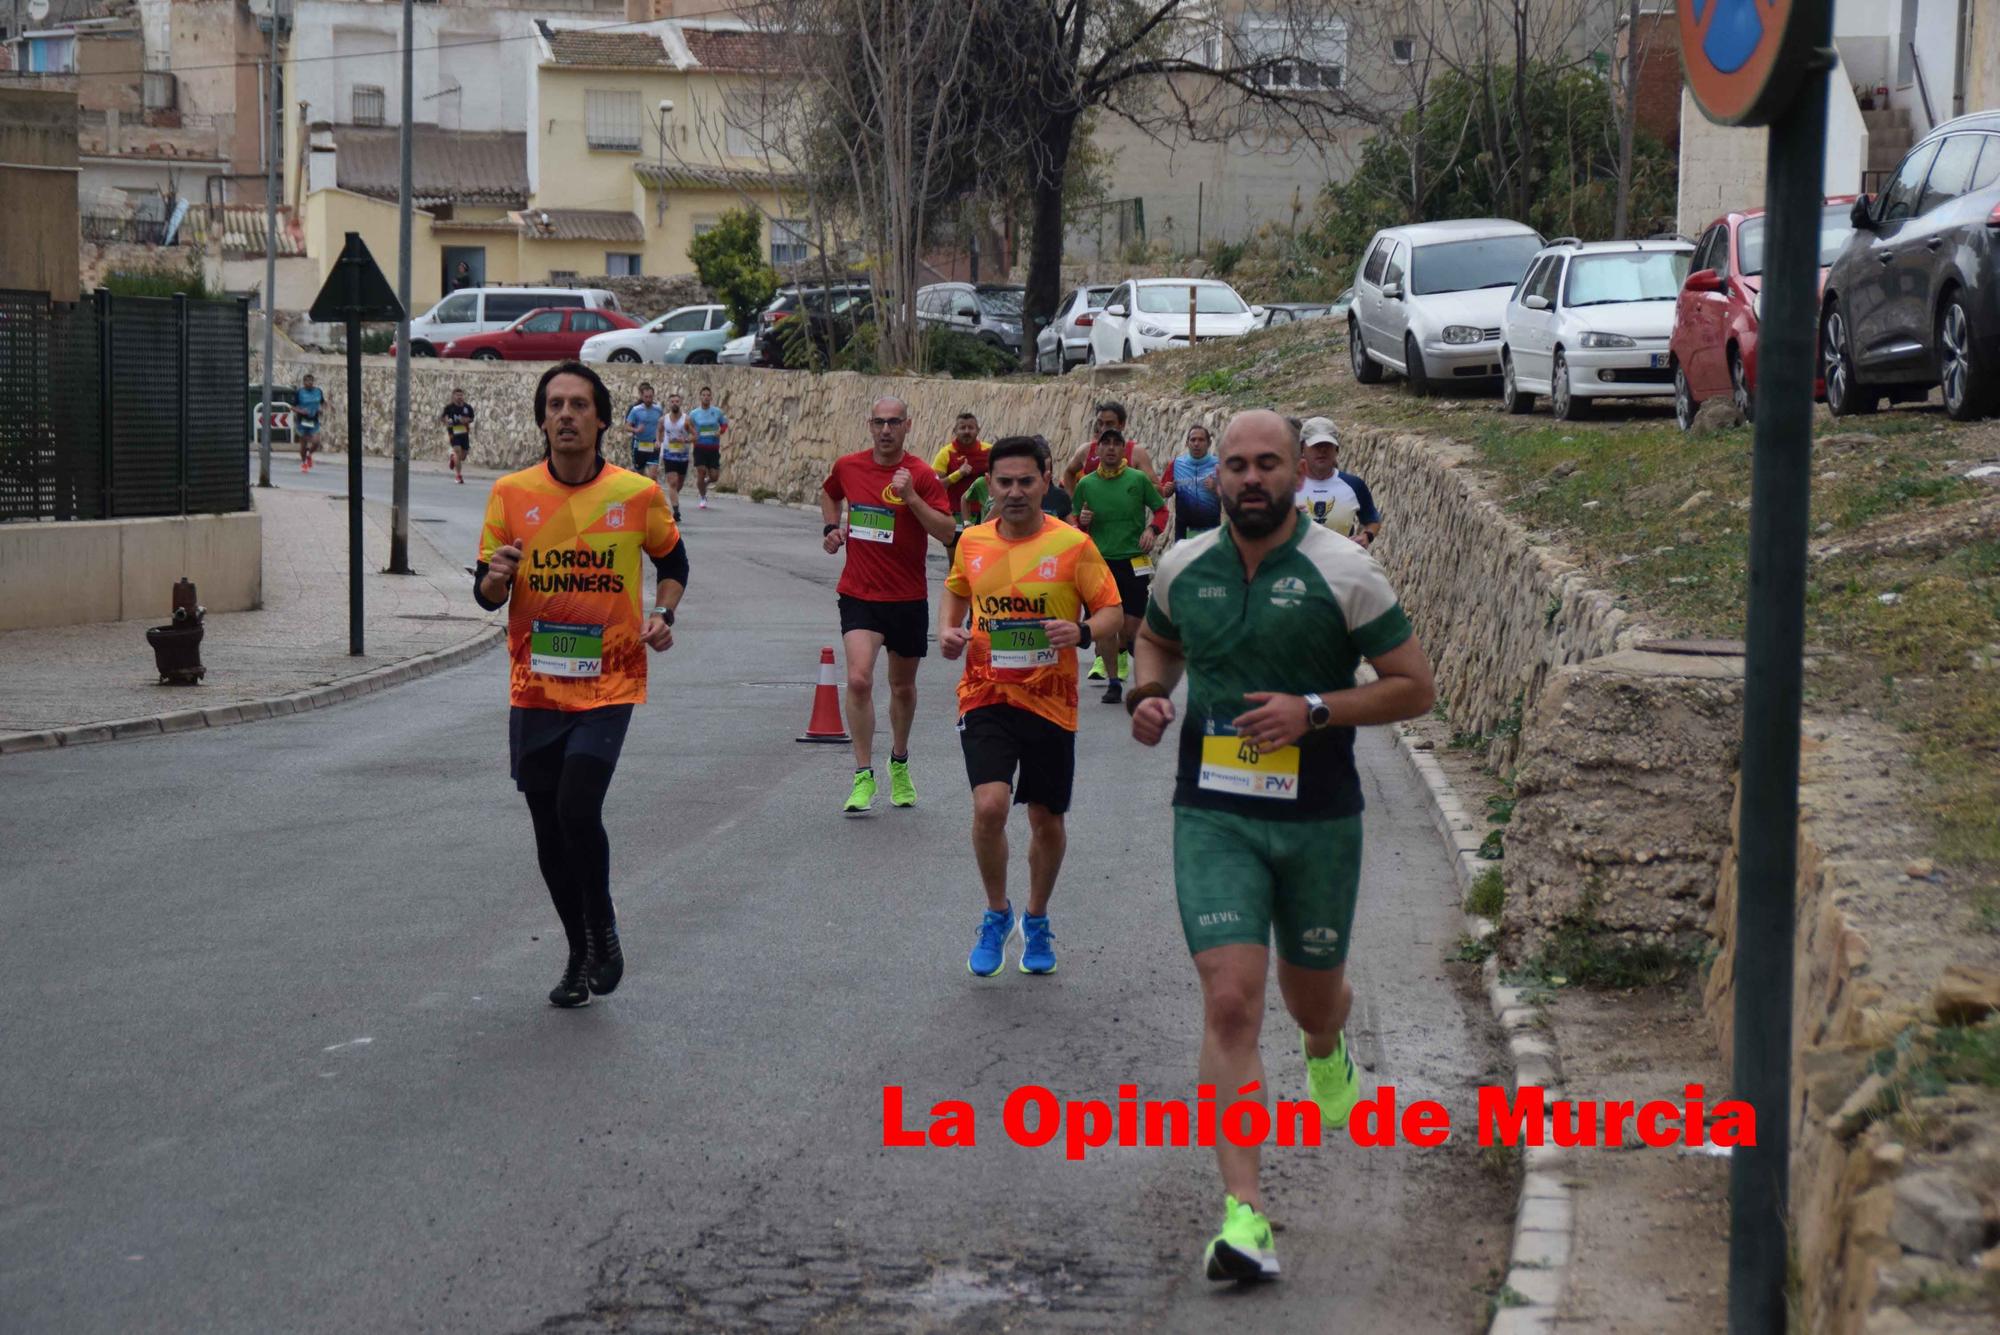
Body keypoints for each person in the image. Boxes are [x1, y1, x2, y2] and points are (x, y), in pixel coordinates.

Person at [1127, 408, 1434, 1282]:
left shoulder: (1347, 571)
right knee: (1230, 1002)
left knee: (1310, 1001)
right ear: (1212, 476)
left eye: (1269, 463)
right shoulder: (1185, 565)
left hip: (1320, 818)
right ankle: (1244, 1217)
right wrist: (1152, 693)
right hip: (1214, 811)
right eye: (1236, 465)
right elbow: (1157, 638)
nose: (1251, 478)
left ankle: (1328, 1042)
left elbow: (1416, 688)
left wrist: (1317, 710)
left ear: (1300, 471)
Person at [473, 361, 689, 1008]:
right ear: (542, 418)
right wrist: (498, 576)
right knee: (547, 826)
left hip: (610, 679)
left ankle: (604, 925)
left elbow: (673, 561)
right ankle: (578, 949)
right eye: (555, 404)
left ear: (601, 419)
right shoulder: (510, 493)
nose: (566, 414)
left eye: (579, 404)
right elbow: (485, 594)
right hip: (534, 685)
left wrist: (665, 611)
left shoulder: (636, 494)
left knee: (576, 806)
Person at [939, 436, 1123, 977]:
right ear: (988, 485)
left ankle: (1036, 918)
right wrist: (947, 630)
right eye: (1004, 482)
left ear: (1046, 480)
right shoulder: (971, 541)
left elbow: (1111, 610)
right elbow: (955, 589)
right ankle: (997, 913)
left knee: (1046, 818)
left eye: (1025, 482)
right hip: (986, 693)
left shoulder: (1072, 545)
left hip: (1051, 700)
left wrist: (1083, 630)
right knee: (990, 806)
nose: (1014, 492)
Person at [820, 396, 956, 814]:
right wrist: (830, 527)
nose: (885, 430)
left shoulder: (921, 475)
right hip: (860, 593)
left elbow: (948, 532)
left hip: (907, 598)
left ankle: (899, 760)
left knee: (902, 687)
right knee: (859, 680)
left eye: (893, 422)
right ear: (869, 425)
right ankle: (863, 775)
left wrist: (912, 498)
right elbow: (830, 494)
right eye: (879, 422)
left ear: (907, 425)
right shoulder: (849, 466)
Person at [1070, 428, 1165, 704]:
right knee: (1105, 627)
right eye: (1105, 444)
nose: (1111, 448)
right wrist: (1082, 521)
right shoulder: (1086, 484)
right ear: (1097, 451)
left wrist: (1152, 530)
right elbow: (1075, 519)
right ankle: (1114, 682)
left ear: (1124, 450)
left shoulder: (1137, 479)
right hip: (1099, 563)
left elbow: (1161, 509)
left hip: (1133, 560)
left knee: (1131, 629)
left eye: (1116, 444)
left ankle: (1140, 665)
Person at [1294, 416, 1382, 549]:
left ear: (1337, 449)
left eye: (1327, 445)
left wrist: (1367, 536)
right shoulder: (1285, 486)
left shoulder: (1354, 485)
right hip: (1297, 565)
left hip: (1341, 564)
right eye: (1316, 445)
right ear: (1302, 449)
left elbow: (1373, 520)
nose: (1322, 450)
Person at [1060, 401, 1156, 491]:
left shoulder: (1136, 453)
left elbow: (1157, 489)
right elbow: (1068, 473)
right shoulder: (1086, 450)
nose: (1103, 428)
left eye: (1109, 424)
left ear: (1122, 425)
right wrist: (1074, 503)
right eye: (1100, 423)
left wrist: (1134, 488)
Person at [931, 411, 991, 550]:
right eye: (962, 428)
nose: (966, 431)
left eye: (970, 427)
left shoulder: (989, 451)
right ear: (955, 431)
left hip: (984, 515)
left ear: (978, 430)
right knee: (955, 559)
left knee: (981, 558)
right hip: (955, 515)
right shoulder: (946, 453)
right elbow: (935, 486)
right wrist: (958, 474)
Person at [1161, 422, 1221, 540]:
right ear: (1187, 443)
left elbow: (1232, 493)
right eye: (1193, 440)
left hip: (1211, 530)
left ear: (1209, 443)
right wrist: (1167, 490)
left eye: (1201, 440)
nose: (1196, 444)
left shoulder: (1219, 465)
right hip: (1184, 531)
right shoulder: (1177, 464)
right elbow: (1162, 491)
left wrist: (1217, 487)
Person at [688, 385, 728, 511]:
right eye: (703, 395)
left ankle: (706, 482)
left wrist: (720, 431)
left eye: (708, 395)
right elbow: (688, 426)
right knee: (701, 471)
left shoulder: (717, 412)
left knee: (714, 476)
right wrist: (693, 434)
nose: (706, 397)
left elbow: (724, 424)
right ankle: (702, 497)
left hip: (713, 447)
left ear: (711, 397)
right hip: (700, 447)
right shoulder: (694, 413)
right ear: (700, 397)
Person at [658, 390, 694, 520]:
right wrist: (658, 441)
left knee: (679, 483)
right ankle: (676, 511)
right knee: (672, 482)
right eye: (672, 401)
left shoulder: (686, 420)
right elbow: (659, 431)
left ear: (680, 403)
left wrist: (685, 440)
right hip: (669, 455)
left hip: (683, 456)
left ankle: (673, 499)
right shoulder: (663, 419)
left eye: (677, 401)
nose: (674, 403)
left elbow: (695, 436)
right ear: (669, 403)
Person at [625, 382, 664, 483]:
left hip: (653, 445)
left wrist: (659, 440)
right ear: (642, 396)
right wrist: (636, 430)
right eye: (646, 397)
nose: (648, 399)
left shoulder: (658, 410)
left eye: (650, 397)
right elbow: (627, 426)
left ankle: (653, 496)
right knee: (640, 474)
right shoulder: (635, 410)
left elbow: (661, 427)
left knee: (653, 475)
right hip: (639, 445)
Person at [441, 387, 476, 484]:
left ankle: (453, 458)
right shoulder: (449, 408)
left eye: (461, 395)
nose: (460, 397)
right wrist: (447, 421)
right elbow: (443, 418)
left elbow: (472, 418)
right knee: (457, 451)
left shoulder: (467, 407)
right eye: (457, 395)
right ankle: (458, 476)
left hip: (464, 433)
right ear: (453, 396)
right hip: (453, 433)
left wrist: (466, 420)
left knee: (463, 456)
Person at [293, 374, 324, 472]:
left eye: (311, 381)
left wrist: (321, 409)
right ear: (304, 382)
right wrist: (301, 411)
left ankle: (309, 454)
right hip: (302, 421)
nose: (309, 383)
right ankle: (304, 463)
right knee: (303, 444)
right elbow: (293, 407)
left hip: (313, 420)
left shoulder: (318, 391)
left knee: (316, 442)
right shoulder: (299, 392)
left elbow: (322, 403)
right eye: (307, 381)